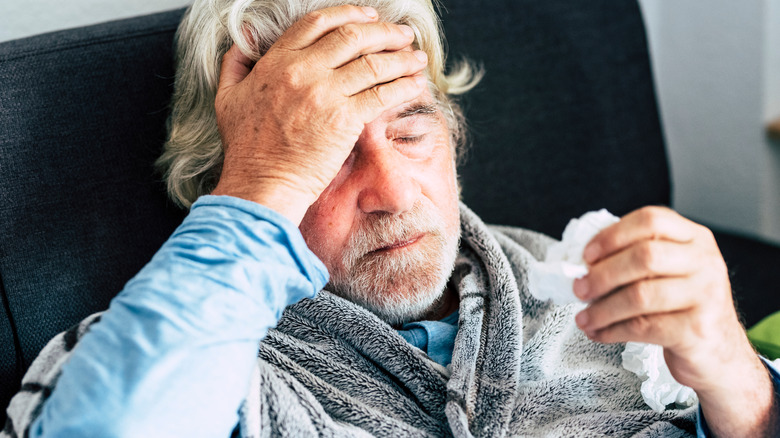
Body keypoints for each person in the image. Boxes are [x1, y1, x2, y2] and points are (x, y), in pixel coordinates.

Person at [3, 0, 778, 437]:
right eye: (330, 154)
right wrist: (260, 191)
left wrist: (738, 383)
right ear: (226, 178)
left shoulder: (578, 285)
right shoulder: (183, 367)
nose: (395, 190)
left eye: (411, 125)